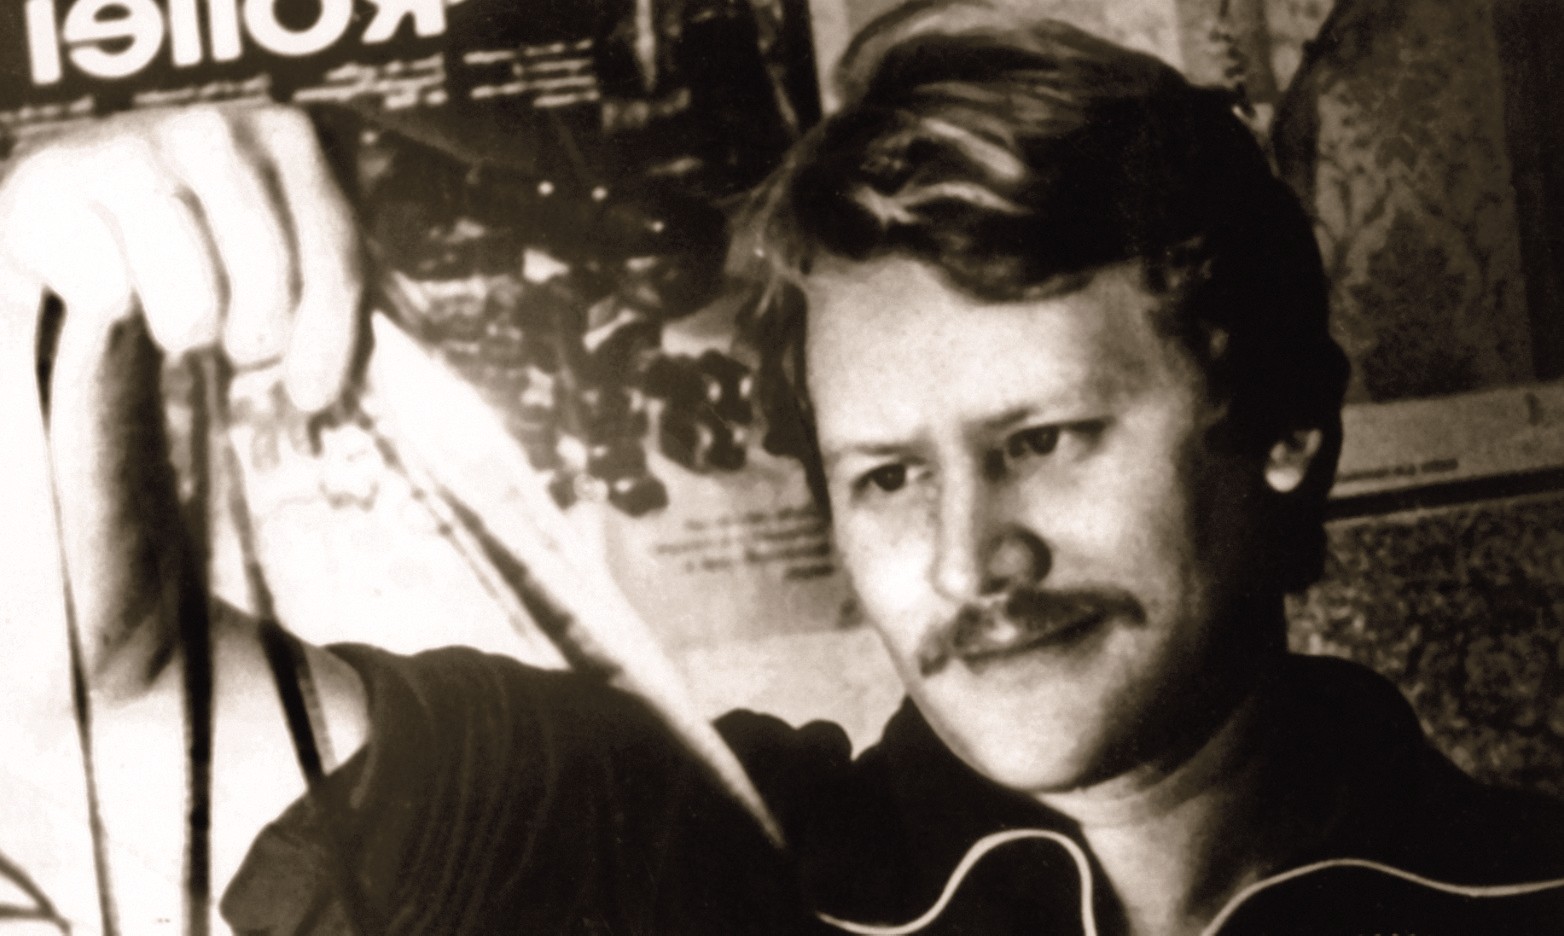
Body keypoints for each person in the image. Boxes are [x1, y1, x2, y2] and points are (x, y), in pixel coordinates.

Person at [711, 2, 1564, 934]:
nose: (968, 563)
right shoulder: (711, 885)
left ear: (1282, 425)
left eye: (1043, 441)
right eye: (889, 477)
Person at [0, 109, 818, 934]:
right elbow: (113, 675)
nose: (950, 572)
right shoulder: (668, 828)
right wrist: (38, 298)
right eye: (879, 476)